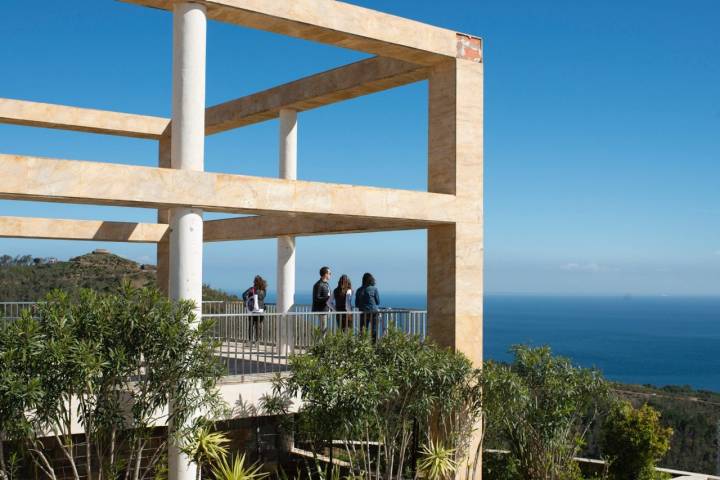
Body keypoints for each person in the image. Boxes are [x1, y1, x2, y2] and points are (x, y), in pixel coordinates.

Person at [355, 272, 380, 341]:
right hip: (373, 312)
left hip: (363, 312)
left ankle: (362, 346)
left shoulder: (359, 290)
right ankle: (374, 346)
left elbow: (356, 304)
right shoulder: (374, 289)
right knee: (374, 330)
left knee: (363, 330)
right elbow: (378, 302)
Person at [242, 275, 267, 343]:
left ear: (255, 282)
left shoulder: (251, 289)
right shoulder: (263, 290)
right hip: (260, 310)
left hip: (252, 310)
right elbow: (262, 298)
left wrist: (246, 301)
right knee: (258, 326)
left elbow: (244, 295)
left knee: (251, 325)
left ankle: (250, 340)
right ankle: (257, 341)